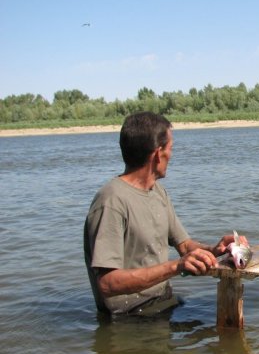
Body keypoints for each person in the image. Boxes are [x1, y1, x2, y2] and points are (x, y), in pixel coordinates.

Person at [84, 111, 246, 316]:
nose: (172, 155)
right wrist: (176, 267)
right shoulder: (111, 201)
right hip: (128, 317)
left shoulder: (157, 192)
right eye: (171, 148)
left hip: (163, 303)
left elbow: (185, 246)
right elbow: (107, 284)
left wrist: (216, 250)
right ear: (157, 154)